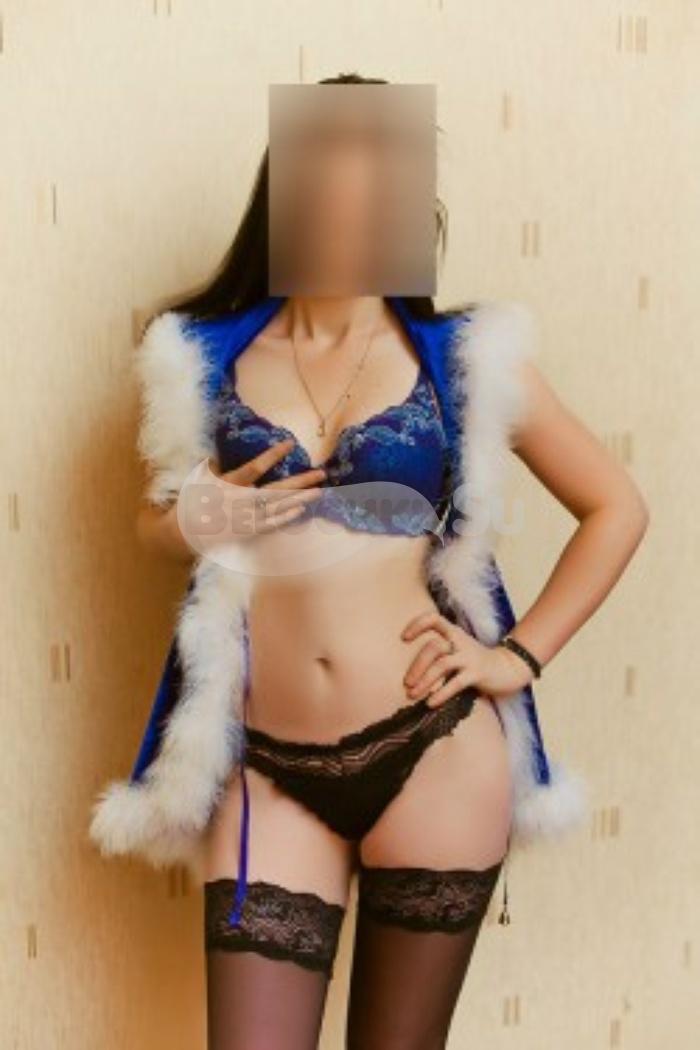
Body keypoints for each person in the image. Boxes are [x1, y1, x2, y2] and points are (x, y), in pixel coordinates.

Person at [89, 73, 649, 1050]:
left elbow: (617, 508)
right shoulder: (202, 356)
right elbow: (154, 524)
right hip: (264, 767)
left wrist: (515, 657)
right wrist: (198, 520)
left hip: (436, 754)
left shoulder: (466, 357)